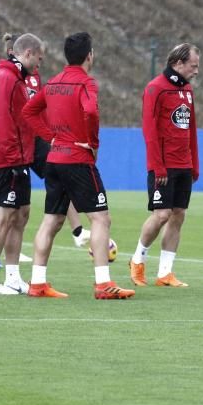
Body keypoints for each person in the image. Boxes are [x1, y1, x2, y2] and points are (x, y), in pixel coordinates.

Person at [22, 32, 134, 300]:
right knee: (100, 218)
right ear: (89, 56)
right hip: (78, 159)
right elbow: (91, 111)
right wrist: (92, 142)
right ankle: (103, 283)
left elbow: (28, 111)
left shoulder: (53, 83)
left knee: (52, 220)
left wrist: (50, 136)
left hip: (54, 158)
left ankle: (37, 283)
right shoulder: (86, 83)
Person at [0, 33, 45, 294]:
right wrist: (14, 159)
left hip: (20, 158)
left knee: (21, 214)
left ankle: (13, 276)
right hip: (8, 160)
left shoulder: (13, 77)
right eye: (38, 57)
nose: (39, 64)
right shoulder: (5, 78)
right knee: (3, 217)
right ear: (27, 54)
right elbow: (2, 122)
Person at [5, 33, 89, 251]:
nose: (40, 63)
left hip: (37, 140)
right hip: (17, 143)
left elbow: (39, 108)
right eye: (39, 58)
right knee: (8, 203)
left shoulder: (35, 77)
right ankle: (5, 252)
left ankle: (78, 231)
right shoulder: (9, 76)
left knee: (62, 180)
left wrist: (49, 134)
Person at [129, 43, 200, 288]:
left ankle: (165, 273)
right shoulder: (155, 88)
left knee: (178, 215)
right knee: (161, 215)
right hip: (163, 165)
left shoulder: (187, 90)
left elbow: (191, 128)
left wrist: (195, 163)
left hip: (184, 164)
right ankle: (137, 260)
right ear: (178, 64)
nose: (196, 71)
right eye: (193, 65)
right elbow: (149, 131)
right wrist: (157, 166)